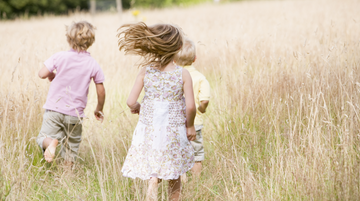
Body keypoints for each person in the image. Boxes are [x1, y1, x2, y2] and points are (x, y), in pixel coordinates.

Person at [118, 22, 196, 201]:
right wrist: (190, 126)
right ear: (178, 47)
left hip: (150, 130)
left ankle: (153, 182)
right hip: (173, 130)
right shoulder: (182, 74)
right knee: (174, 172)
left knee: (155, 165)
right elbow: (190, 106)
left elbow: (130, 101)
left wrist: (137, 107)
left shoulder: (146, 71)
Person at [36, 21, 106, 167]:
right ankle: (67, 176)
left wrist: (51, 74)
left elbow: (42, 74)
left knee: (43, 137)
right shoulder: (92, 63)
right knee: (71, 147)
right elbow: (101, 89)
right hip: (75, 114)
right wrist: (99, 109)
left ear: (69, 39)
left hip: (54, 110)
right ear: (91, 41)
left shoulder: (60, 56)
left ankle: (50, 143)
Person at [174, 37, 210, 179]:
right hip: (195, 124)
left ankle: (182, 180)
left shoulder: (174, 76)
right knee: (196, 154)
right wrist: (202, 109)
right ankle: (196, 182)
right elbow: (205, 100)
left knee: (179, 152)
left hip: (177, 122)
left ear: (174, 60)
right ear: (195, 58)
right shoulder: (201, 78)